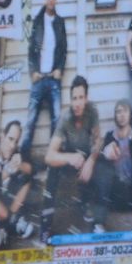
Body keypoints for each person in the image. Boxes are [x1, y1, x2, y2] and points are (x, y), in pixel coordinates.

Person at [40, 73, 103, 232]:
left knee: (102, 164)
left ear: (86, 98)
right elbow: (49, 156)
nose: (77, 103)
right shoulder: (65, 118)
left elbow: (98, 141)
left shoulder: (92, 112)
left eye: (80, 98)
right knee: (52, 170)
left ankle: (95, 218)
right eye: (74, 98)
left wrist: (91, 161)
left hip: (85, 157)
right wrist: (69, 158)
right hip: (70, 159)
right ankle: (46, 225)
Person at [24, 0, 68, 152]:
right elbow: (31, 50)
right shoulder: (37, 21)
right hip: (38, 79)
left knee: (56, 119)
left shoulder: (60, 22)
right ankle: (24, 159)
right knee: (30, 121)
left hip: (53, 79)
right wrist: (32, 72)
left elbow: (64, 51)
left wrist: (60, 70)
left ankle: (53, 158)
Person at [0, 119, 37, 245]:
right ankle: (11, 223)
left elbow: (32, 170)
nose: (12, 145)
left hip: (3, 198)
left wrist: (19, 164)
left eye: (16, 141)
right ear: (2, 137)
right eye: (10, 139)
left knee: (28, 180)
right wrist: (7, 171)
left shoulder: (15, 151)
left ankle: (6, 225)